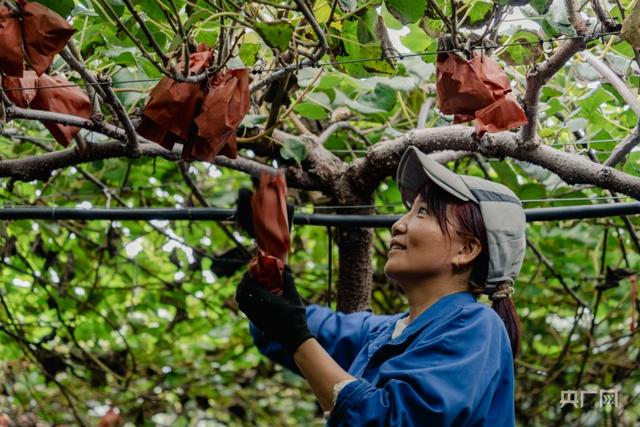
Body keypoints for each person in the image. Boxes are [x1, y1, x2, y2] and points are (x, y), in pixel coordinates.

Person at [235, 146, 527, 426]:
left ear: (466, 250)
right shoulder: (380, 333)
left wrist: (294, 334)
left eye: (423, 212)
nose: (398, 225)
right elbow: (279, 327)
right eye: (409, 210)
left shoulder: (477, 327)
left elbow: (395, 420)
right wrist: (272, 255)